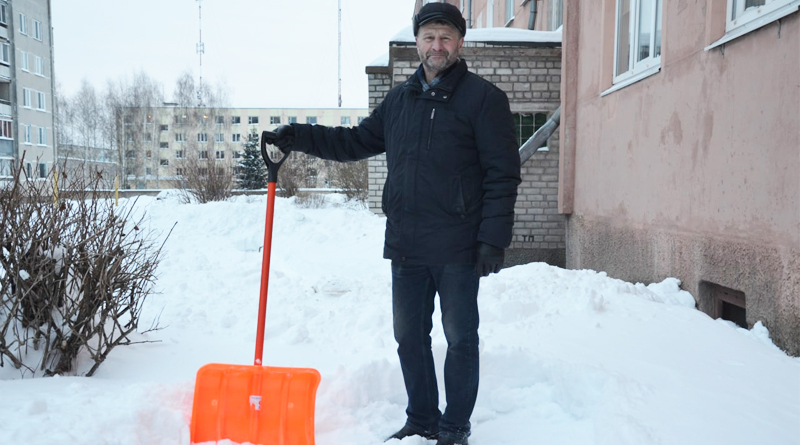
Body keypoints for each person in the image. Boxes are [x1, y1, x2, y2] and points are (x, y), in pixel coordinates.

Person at [270, 3, 520, 444]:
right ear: (417, 43)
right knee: (409, 338)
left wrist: (492, 240)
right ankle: (421, 419)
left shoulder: (484, 99)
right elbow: (355, 141)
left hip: (459, 245)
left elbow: (503, 174)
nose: (436, 46)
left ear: (460, 44)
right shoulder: (400, 99)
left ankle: (454, 426)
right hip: (407, 243)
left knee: (460, 338)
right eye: (428, 37)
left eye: (445, 37)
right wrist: (299, 136)